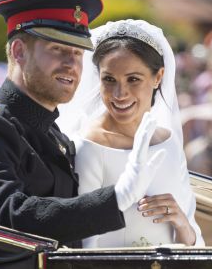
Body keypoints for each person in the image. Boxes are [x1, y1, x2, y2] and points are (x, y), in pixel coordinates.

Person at [0, 0, 166, 248]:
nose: (71, 64)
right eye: (57, 48)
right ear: (19, 51)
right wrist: (116, 198)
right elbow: (6, 218)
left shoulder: (56, 138)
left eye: (77, 53)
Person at [58, 20, 204, 247]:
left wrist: (181, 222)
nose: (120, 93)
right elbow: (84, 244)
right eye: (109, 80)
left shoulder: (168, 142)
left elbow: (194, 241)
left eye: (133, 79)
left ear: (158, 77)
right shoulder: (89, 145)